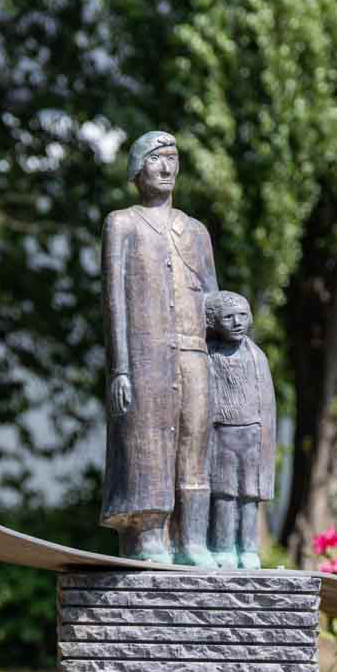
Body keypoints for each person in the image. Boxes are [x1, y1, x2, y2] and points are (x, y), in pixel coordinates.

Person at [100, 130, 218, 564]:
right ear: (137, 168)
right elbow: (115, 300)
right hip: (146, 356)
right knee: (146, 442)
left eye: (172, 159)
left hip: (193, 352)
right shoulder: (122, 223)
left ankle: (193, 539)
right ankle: (149, 537)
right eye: (156, 159)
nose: (166, 168)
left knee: (195, 442)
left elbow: (212, 295)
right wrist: (121, 368)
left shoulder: (197, 230)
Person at [202, 291, 278, 568]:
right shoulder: (209, 356)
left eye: (242, 315)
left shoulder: (257, 357)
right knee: (223, 493)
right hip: (221, 435)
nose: (237, 322)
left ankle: (248, 549)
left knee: (249, 495)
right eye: (228, 317)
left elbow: (267, 405)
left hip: (253, 436)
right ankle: (223, 548)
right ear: (214, 321)